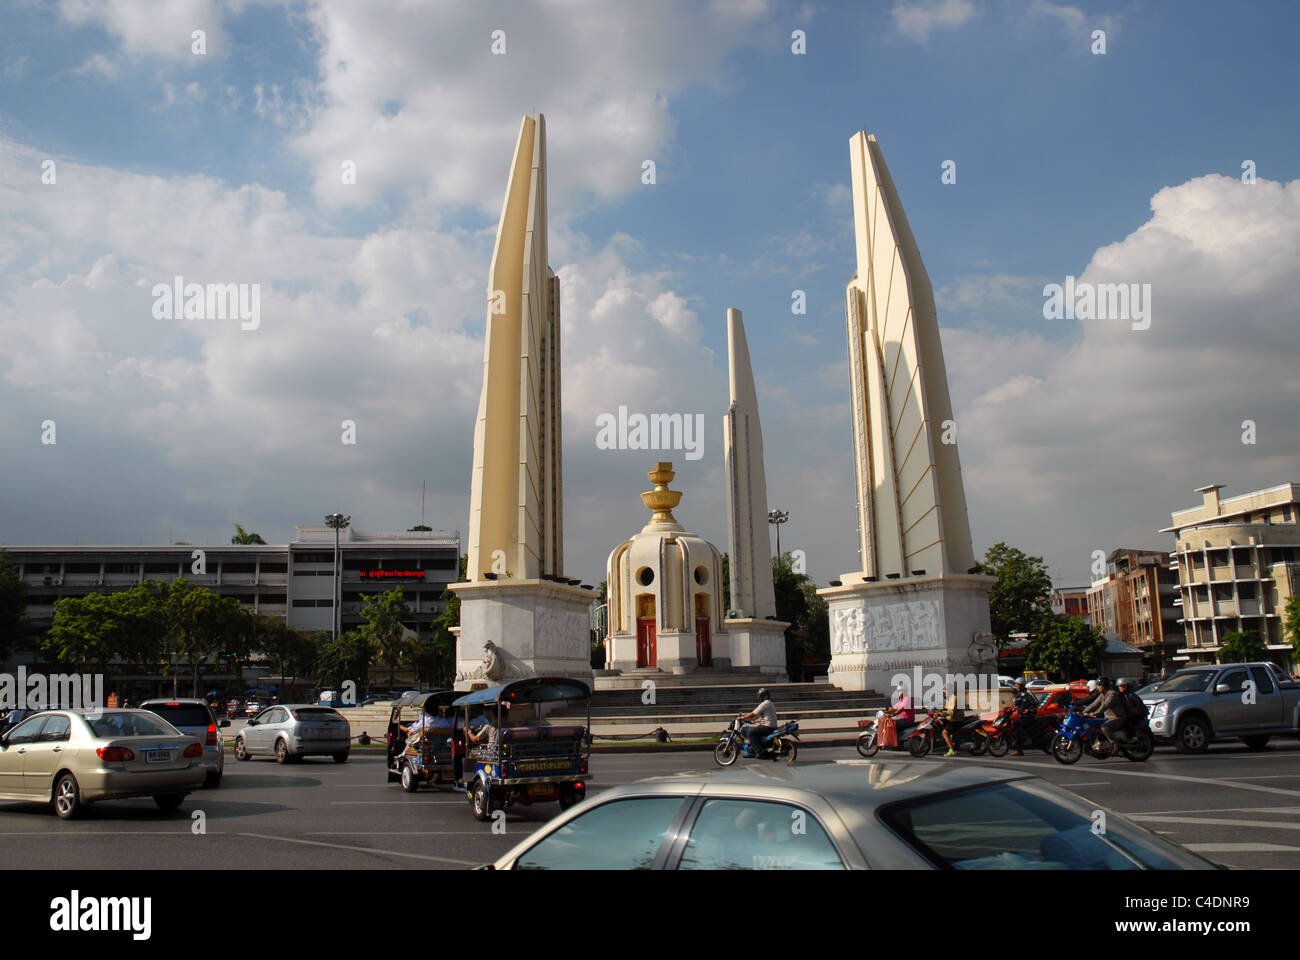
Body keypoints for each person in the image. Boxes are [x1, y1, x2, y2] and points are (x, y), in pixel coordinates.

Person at [1082, 676, 1129, 743]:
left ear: (1103, 686)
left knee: (1104, 727)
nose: (1097, 688)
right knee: (1093, 725)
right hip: (1108, 718)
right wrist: (1083, 712)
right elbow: (1094, 704)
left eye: (1099, 686)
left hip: (1118, 718)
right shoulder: (1102, 695)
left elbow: (1105, 706)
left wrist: (1095, 713)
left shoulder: (1112, 694)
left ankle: (1115, 744)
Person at [739, 688, 777, 756]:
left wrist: (742, 718)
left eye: (760, 696)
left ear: (763, 696)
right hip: (769, 725)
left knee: (751, 732)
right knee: (745, 730)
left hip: (767, 726)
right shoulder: (769, 703)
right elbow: (764, 717)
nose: (759, 697)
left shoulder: (765, 703)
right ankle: (753, 748)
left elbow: (753, 713)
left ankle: (759, 751)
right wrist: (754, 721)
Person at [1010, 679, 1039, 756]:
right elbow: (1015, 704)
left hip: (1029, 715)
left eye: (1017, 684)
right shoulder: (1018, 694)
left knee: (1018, 723)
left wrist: (1028, 710)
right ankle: (1019, 750)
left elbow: (1036, 704)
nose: (1016, 686)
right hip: (1021, 715)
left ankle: (1026, 738)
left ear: (1022, 685)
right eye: (1016, 684)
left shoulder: (1028, 693)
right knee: (1016, 728)